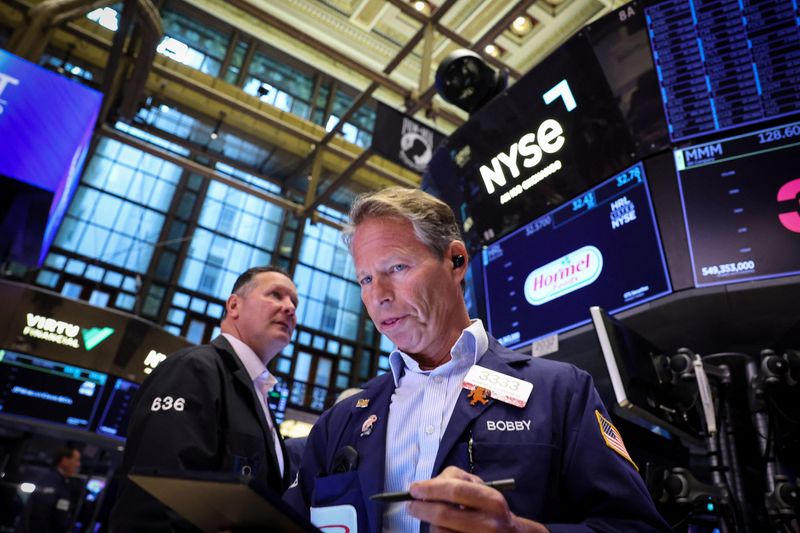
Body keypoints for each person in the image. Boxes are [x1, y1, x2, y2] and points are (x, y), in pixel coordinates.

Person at [284, 187, 671, 532]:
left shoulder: (560, 392)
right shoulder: (342, 421)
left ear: (455, 261)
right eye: (365, 279)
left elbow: (635, 525)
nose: (378, 295)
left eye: (397, 268)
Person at [110, 265, 298, 532]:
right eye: (276, 295)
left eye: (294, 302)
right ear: (234, 306)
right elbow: (157, 498)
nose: (290, 307)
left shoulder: (259, 394)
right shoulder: (194, 369)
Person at [15, 447, 82, 533]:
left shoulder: (66, 482)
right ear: (64, 460)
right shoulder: (51, 480)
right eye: (76, 460)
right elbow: (39, 515)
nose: (78, 464)